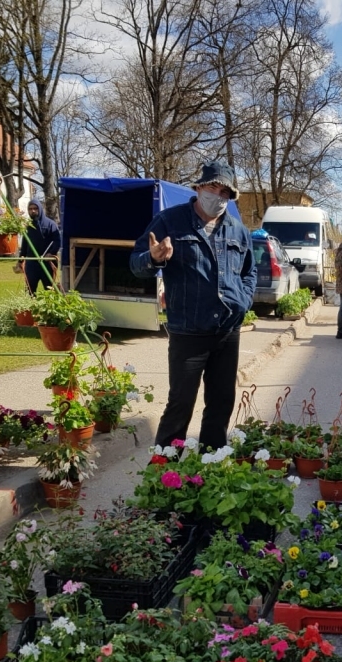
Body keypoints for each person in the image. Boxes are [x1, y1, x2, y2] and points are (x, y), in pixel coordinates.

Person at [129, 161, 255, 449]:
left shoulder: (238, 231)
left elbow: (250, 273)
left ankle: (210, 466)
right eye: (213, 188)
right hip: (188, 331)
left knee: (221, 403)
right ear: (198, 188)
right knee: (180, 405)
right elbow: (136, 264)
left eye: (226, 192)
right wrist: (154, 258)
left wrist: (243, 300)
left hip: (226, 332)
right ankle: (163, 474)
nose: (219, 196)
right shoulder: (169, 221)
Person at [18, 199, 61, 296]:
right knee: (30, 290)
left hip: (47, 262)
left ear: (40, 209)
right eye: (30, 209)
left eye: (35, 208)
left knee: (49, 290)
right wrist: (20, 261)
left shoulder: (51, 224)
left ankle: (49, 310)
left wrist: (51, 253)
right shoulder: (28, 226)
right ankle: (31, 310)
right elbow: (25, 245)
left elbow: (57, 241)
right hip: (31, 263)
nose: (33, 211)